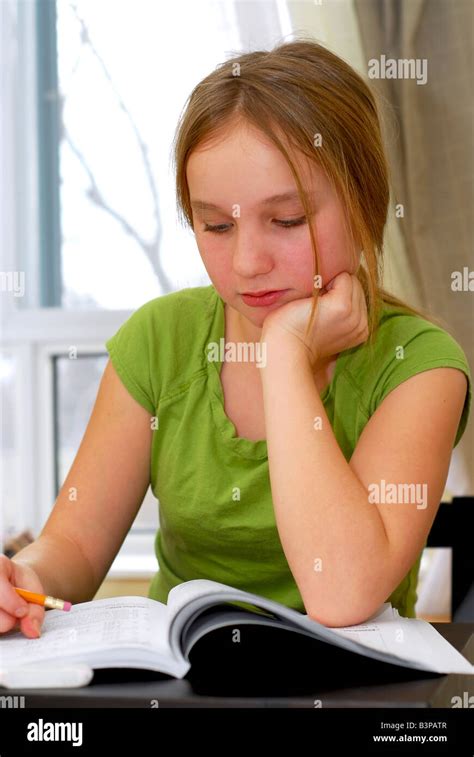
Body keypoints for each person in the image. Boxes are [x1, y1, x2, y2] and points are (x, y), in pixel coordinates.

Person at [1, 38, 470, 639]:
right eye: (216, 225)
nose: (247, 262)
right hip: (178, 687)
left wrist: (285, 357)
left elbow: (342, 590)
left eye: (288, 220)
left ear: (364, 205)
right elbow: (74, 546)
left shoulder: (420, 367)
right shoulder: (159, 341)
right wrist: (22, 580)